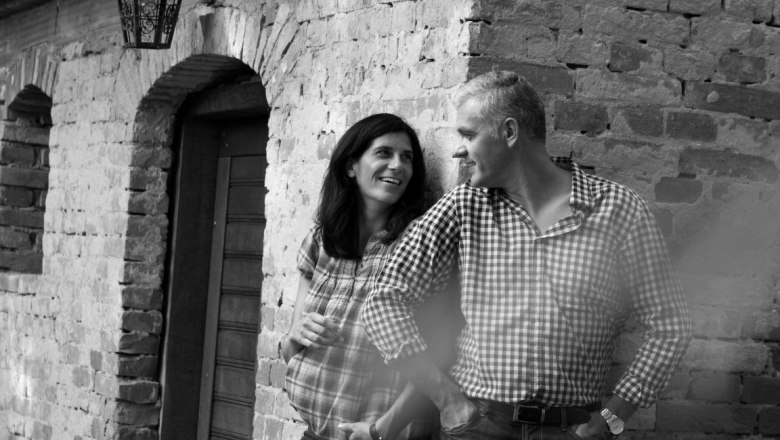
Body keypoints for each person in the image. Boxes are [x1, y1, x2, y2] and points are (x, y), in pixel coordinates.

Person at [361, 71, 693, 440]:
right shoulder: (464, 205)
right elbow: (383, 300)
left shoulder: (617, 208)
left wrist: (613, 417)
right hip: (477, 426)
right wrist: (447, 399)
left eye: (469, 135)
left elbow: (670, 325)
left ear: (509, 132)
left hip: (571, 430)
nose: (459, 150)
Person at [281, 113, 437, 440]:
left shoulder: (419, 244)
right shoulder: (320, 239)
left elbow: (439, 351)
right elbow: (289, 349)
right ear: (351, 167)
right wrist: (295, 334)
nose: (398, 165)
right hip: (315, 433)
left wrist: (383, 429)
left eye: (406, 158)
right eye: (384, 153)